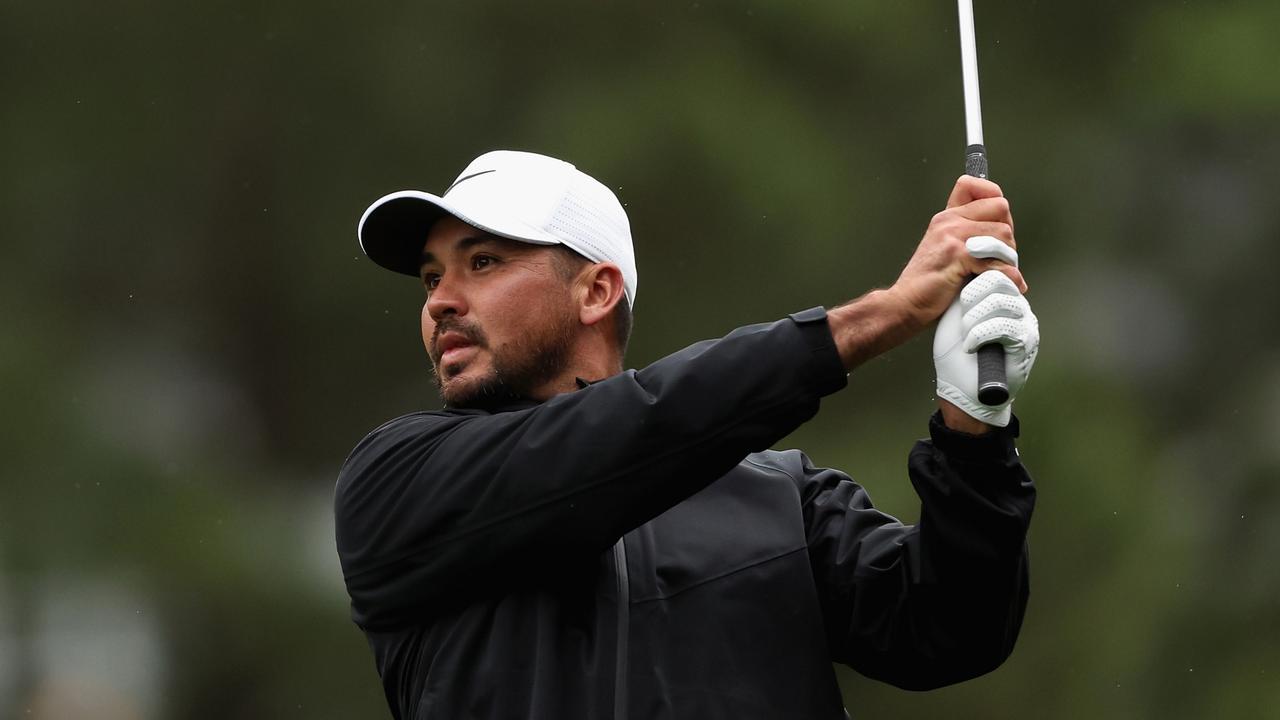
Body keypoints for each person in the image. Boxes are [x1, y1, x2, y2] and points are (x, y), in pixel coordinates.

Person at [335, 150, 1040, 720]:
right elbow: (617, 438)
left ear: (596, 292)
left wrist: (973, 430)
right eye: (431, 280)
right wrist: (879, 318)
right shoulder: (396, 482)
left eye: (481, 263)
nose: (440, 303)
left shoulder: (778, 497)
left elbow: (950, 630)